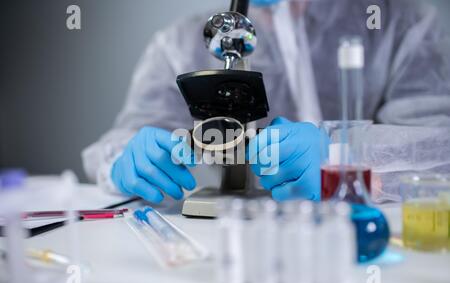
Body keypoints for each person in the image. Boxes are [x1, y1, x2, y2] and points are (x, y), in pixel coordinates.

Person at [82, 0, 450, 204]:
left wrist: (341, 160)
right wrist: (124, 159)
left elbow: (439, 152)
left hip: (361, 238)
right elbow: (121, 139)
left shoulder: (402, 22)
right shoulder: (178, 43)